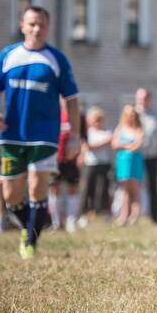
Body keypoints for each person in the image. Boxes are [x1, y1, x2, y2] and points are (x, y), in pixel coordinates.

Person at [0, 6, 80, 259]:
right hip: (12, 135)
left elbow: (71, 99)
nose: (37, 29)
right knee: (11, 196)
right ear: (23, 25)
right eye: (32, 24)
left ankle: (30, 242)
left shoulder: (56, 60)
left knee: (38, 189)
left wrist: (75, 136)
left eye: (42, 25)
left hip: (45, 136)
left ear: (47, 28)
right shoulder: (8, 55)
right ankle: (36, 223)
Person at [49, 100, 85, 233]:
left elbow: (83, 139)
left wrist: (81, 155)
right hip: (55, 159)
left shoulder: (79, 117)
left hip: (72, 160)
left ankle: (71, 221)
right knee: (54, 189)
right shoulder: (53, 115)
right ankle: (56, 222)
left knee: (73, 188)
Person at [111, 105, 145, 226]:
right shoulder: (120, 128)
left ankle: (134, 216)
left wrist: (124, 145)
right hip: (123, 162)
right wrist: (129, 146)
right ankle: (123, 216)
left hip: (135, 162)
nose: (131, 117)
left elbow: (138, 145)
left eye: (132, 115)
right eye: (128, 115)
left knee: (135, 189)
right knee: (124, 190)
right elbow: (114, 143)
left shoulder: (138, 129)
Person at [134, 88, 157, 224]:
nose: (142, 101)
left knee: (152, 186)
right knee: (134, 187)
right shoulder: (132, 114)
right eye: (140, 98)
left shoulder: (155, 114)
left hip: (152, 155)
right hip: (135, 155)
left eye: (144, 98)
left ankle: (154, 217)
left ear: (149, 99)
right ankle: (133, 216)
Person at [82, 106, 113, 222]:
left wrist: (97, 145)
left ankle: (105, 213)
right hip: (91, 164)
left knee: (104, 190)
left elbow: (111, 143)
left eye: (99, 119)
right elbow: (88, 146)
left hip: (104, 164)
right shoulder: (88, 132)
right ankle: (85, 213)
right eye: (95, 119)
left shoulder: (107, 130)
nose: (97, 122)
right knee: (88, 190)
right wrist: (103, 142)